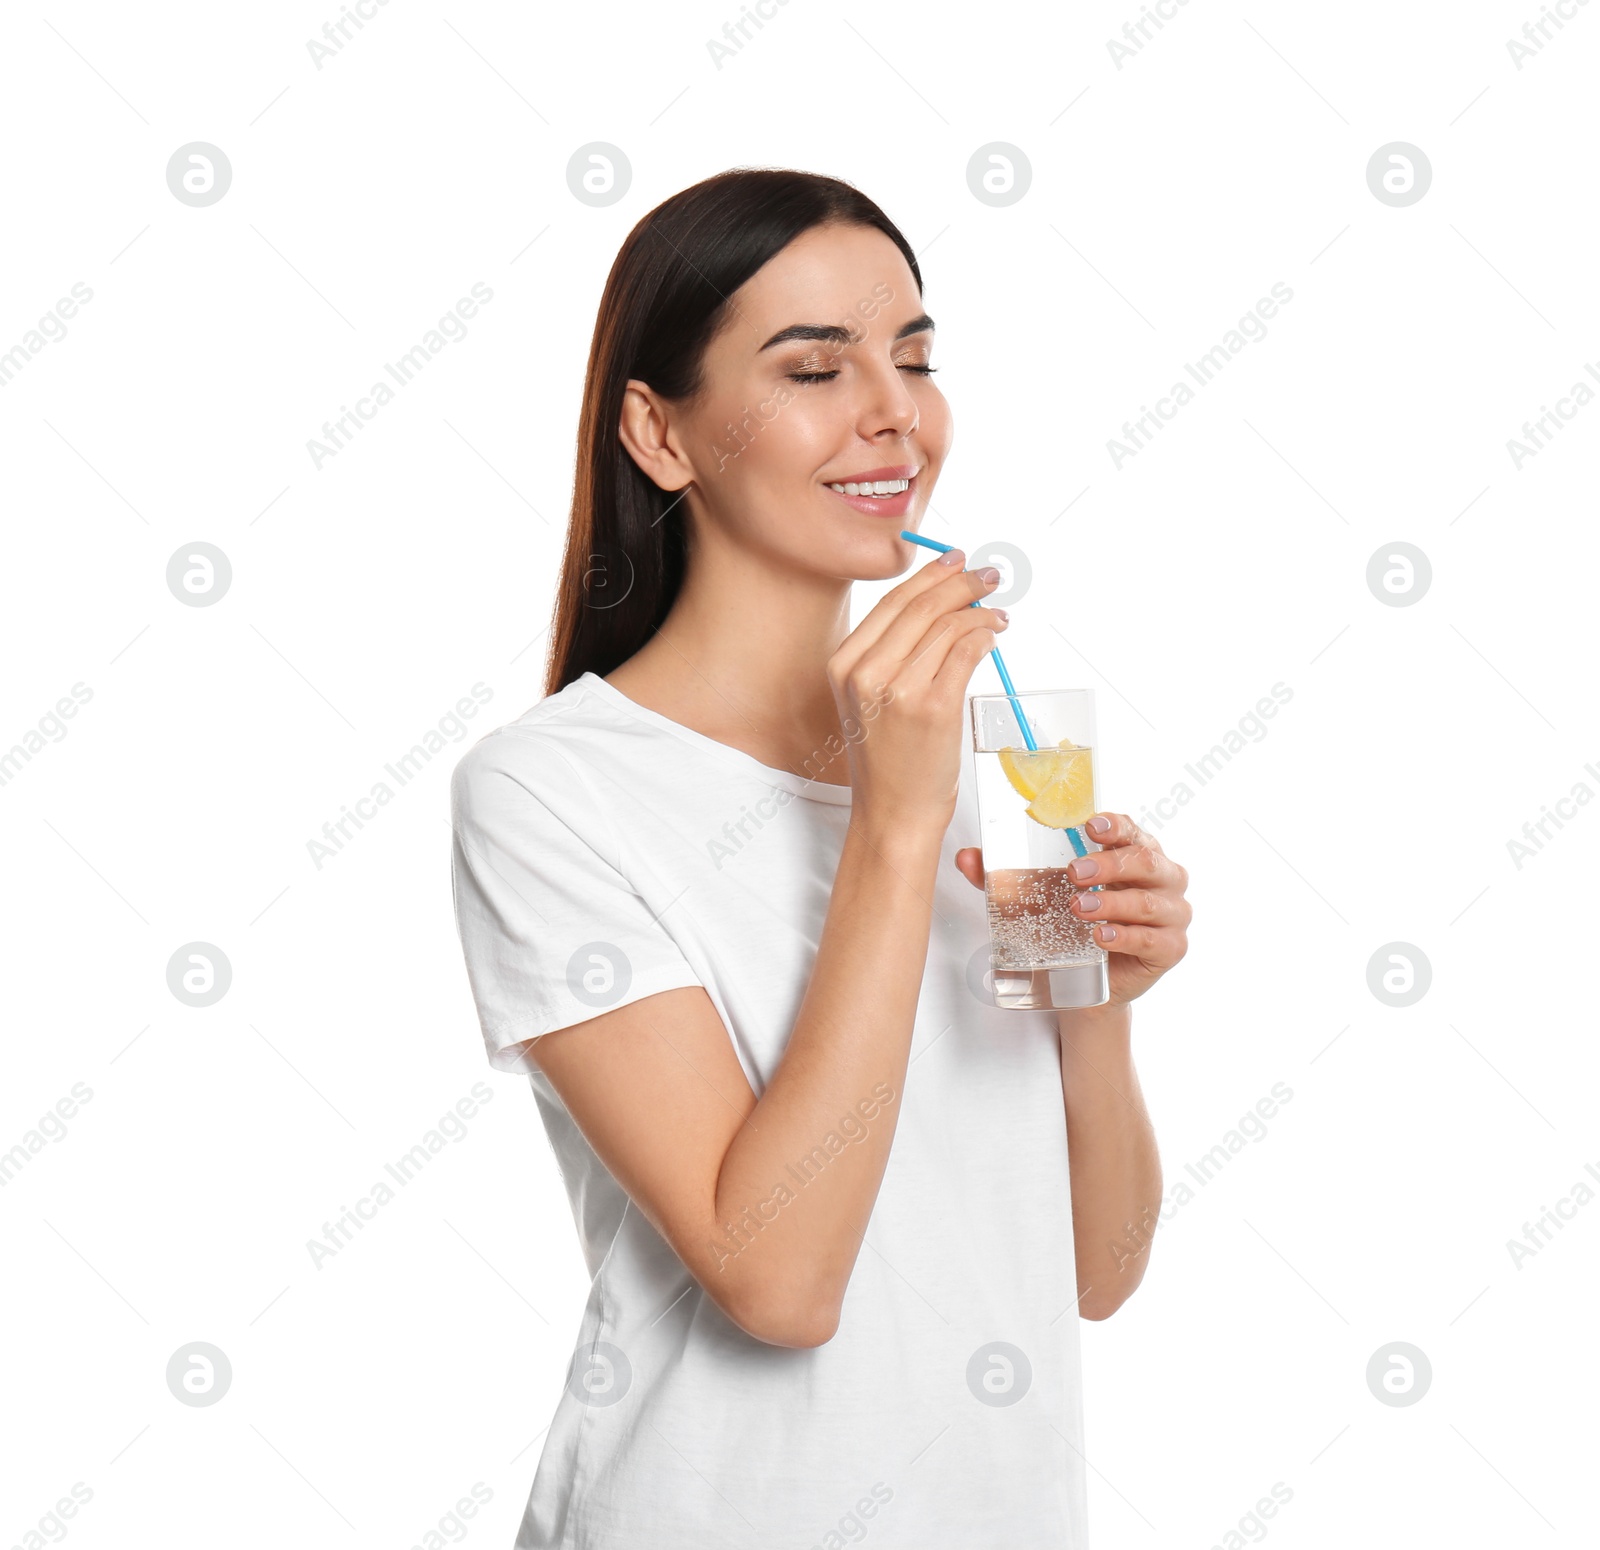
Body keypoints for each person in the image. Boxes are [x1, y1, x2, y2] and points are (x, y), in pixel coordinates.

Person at [448, 167, 1192, 1549]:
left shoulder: (997, 766)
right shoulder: (547, 793)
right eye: (814, 366)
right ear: (658, 434)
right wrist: (896, 830)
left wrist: (1101, 1010)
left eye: (913, 356)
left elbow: (1096, 1269)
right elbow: (779, 1280)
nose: (893, 412)